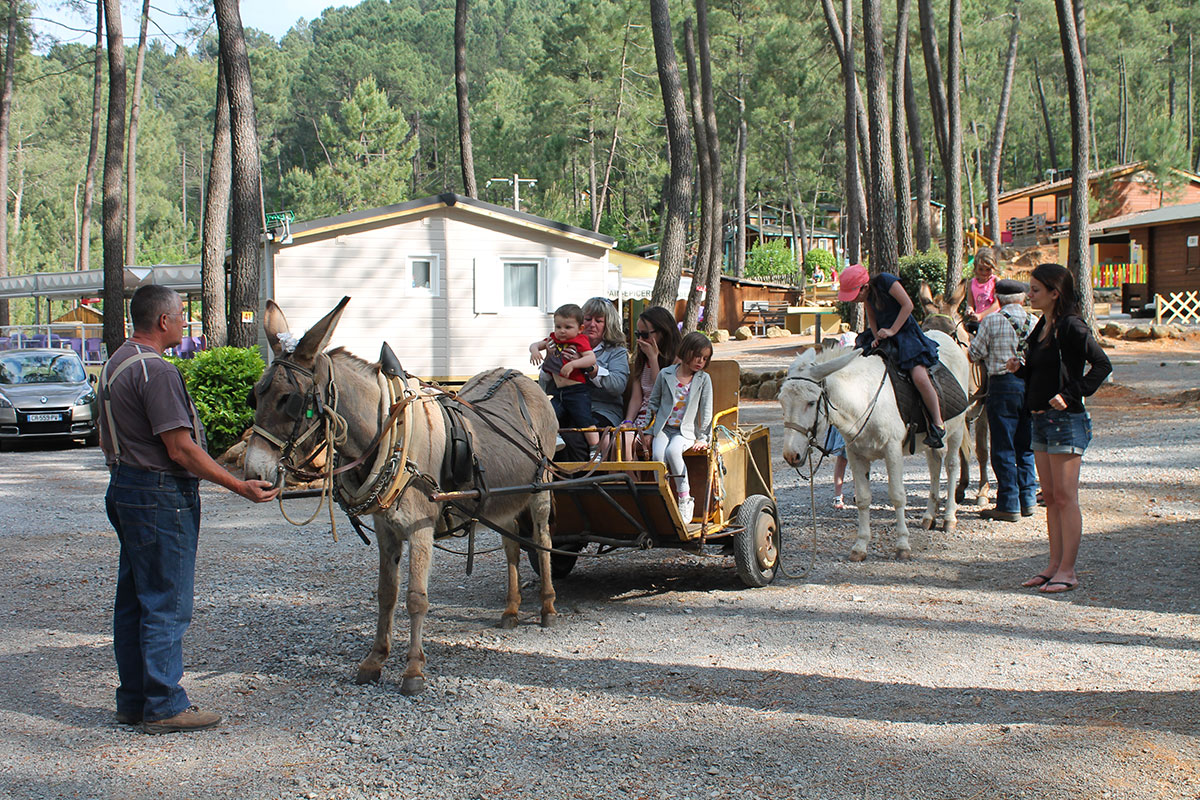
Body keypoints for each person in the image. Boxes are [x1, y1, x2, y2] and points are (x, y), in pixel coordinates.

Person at [100, 285, 278, 734]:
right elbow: (180, 449)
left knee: (135, 601)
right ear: (162, 322)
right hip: (159, 495)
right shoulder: (156, 372)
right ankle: (164, 705)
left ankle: (135, 700)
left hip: (125, 486)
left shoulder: (116, 362)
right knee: (166, 602)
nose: (185, 322)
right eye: (181, 315)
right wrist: (238, 484)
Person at [1006, 263, 1111, 594]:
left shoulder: (1071, 326)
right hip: (1039, 419)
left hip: (1066, 422)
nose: (1030, 294)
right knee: (1050, 497)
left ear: (1055, 293)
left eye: (1036, 290)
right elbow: (1043, 371)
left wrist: (1069, 395)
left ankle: (1068, 570)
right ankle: (1053, 565)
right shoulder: (1042, 325)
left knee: (1065, 497)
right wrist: (1020, 370)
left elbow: (1102, 366)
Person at [838, 263, 947, 448]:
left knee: (919, 376)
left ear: (864, 287)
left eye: (854, 295)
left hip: (904, 333)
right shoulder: (868, 297)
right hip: (884, 334)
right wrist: (875, 336)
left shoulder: (886, 281)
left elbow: (908, 305)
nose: (853, 300)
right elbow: (871, 316)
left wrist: (892, 330)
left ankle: (938, 422)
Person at [969, 278, 1037, 523]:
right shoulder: (1035, 321)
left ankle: (1008, 503)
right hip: (1029, 386)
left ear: (998, 299)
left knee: (1003, 446)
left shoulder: (993, 320)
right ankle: (1028, 499)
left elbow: (974, 353)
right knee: (1025, 445)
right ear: (1023, 298)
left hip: (1002, 385)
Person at [548, 297, 630, 462]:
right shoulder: (563, 346)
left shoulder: (616, 352)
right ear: (580, 323)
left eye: (599, 320)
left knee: (574, 437)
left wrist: (590, 367)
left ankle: (585, 483)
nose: (592, 324)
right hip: (568, 406)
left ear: (608, 324)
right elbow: (548, 388)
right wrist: (550, 362)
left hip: (601, 410)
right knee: (545, 430)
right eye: (588, 319)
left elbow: (618, 386)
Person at [647, 331, 714, 521]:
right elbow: (654, 403)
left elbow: (706, 411)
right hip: (664, 428)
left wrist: (703, 438)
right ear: (686, 352)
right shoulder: (665, 374)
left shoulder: (703, 379)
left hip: (685, 431)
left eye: (705, 358)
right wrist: (648, 430)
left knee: (672, 453)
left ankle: (685, 497)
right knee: (658, 456)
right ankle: (663, 497)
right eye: (697, 356)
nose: (700, 361)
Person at [530, 303, 601, 461]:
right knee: (550, 414)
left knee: (585, 419)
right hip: (559, 391)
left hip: (577, 391)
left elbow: (591, 358)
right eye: (558, 326)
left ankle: (595, 449)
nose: (562, 331)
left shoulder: (580, 341)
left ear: (580, 328)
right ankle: (556, 439)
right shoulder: (553, 339)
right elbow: (535, 344)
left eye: (568, 327)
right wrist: (535, 350)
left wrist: (573, 364)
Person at [623, 306, 682, 460]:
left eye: (645, 335)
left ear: (662, 332)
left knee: (633, 442)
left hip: (663, 419)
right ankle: (628, 481)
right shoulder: (641, 361)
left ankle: (636, 482)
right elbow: (636, 398)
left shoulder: (677, 361)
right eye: (638, 334)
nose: (640, 340)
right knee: (617, 441)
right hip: (642, 418)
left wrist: (653, 359)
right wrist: (628, 421)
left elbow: (662, 393)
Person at [964, 247, 1000, 334]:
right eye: (981, 269)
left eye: (988, 269)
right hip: (978, 322)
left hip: (994, 320)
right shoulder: (971, 283)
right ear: (975, 268)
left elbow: (997, 304)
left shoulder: (995, 281)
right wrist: (969, 309)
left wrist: (981, 315)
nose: (984, 273)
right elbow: (970, 303)